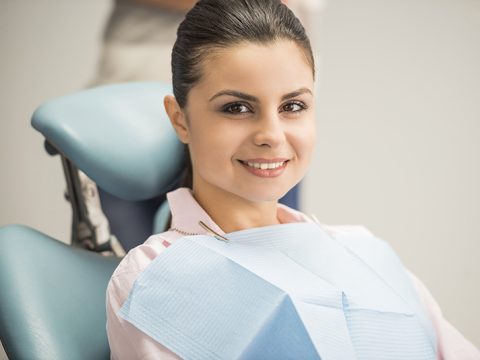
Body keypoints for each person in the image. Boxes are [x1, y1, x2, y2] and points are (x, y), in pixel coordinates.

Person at [106, 0, 480, 359]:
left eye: (293, 106)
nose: (272, 134)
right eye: (236, 108)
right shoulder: (154, 277)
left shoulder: (364, 250)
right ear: (180, 119)